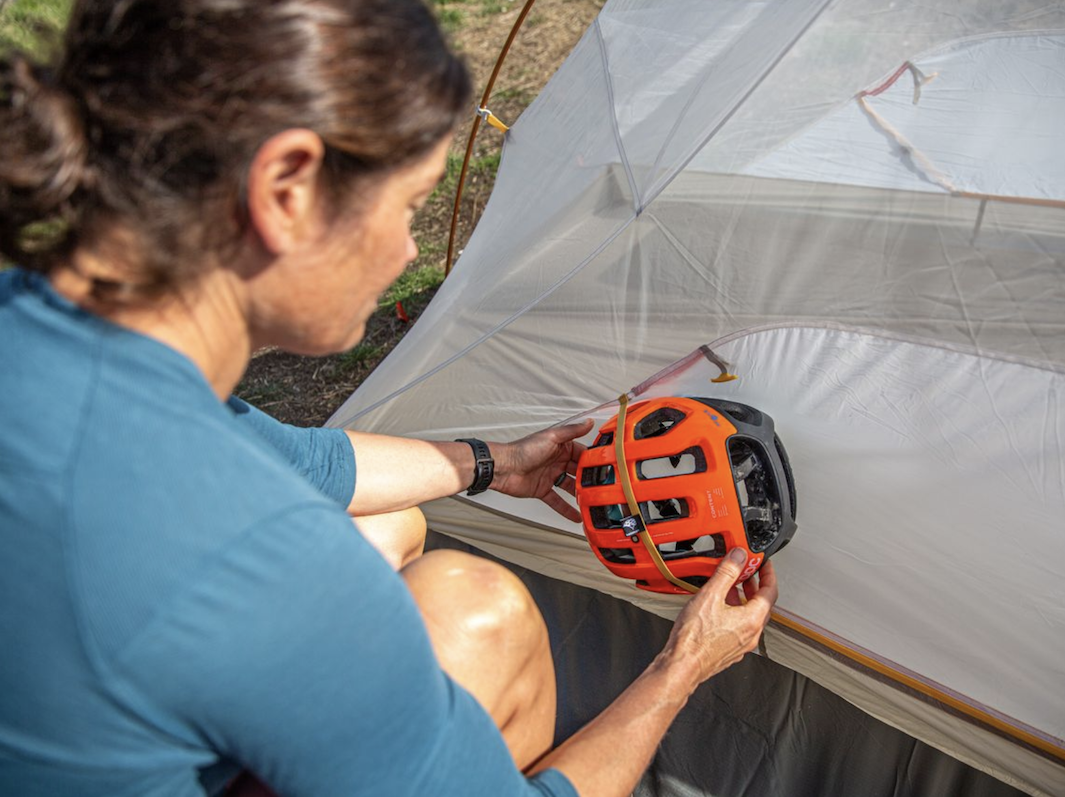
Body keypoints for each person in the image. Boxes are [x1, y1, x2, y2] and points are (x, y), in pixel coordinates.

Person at [0, 1, 779, 795]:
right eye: (409, 204)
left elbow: (301, 459)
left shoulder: (51, 345)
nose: (410, 250)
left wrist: (495, 463)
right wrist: (683, 665)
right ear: (287, 188)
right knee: (467, 604)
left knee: (401, 534)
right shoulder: (254, 554)